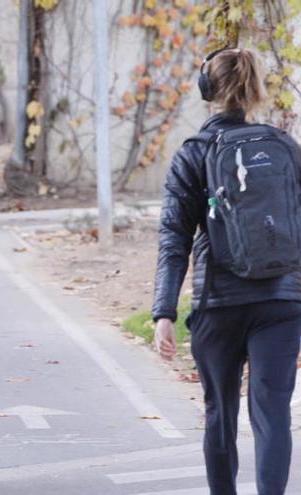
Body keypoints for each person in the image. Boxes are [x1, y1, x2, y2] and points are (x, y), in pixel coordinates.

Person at [152, 48, 301, 495]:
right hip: (281, 301)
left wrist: (164, 311)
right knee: (272, 410)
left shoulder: (193, 153)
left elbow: (174, 238)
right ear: (256, 89)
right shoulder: (285, 148)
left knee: (220, 413)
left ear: (207, 91)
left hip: (218, 304)